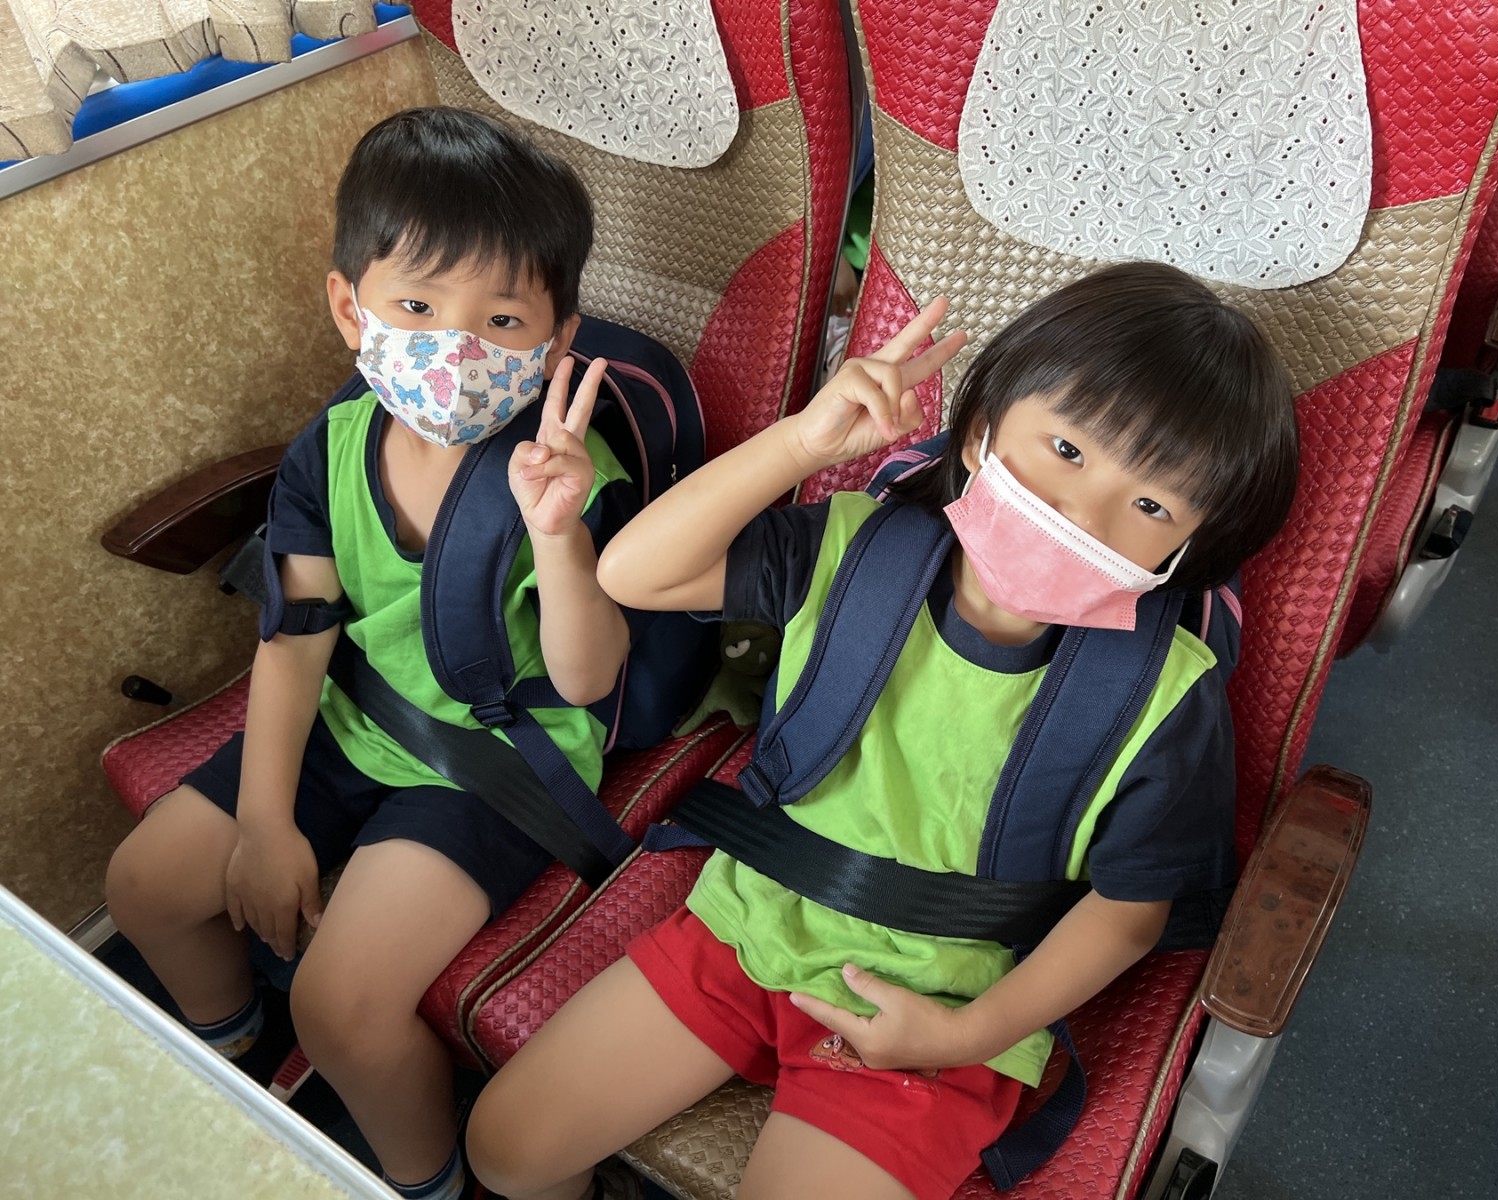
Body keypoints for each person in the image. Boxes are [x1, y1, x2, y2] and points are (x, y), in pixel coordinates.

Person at [466, 261, 1301, 1200]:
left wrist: (969, 1034)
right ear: (982, 433)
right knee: (507, 1148)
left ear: (1188, 550)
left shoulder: (1163, 696)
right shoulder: (856, 547)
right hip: (751, 924)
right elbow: (634, 574)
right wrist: (801, 442)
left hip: (943, 1000)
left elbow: (1129, 910)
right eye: (1067, 449)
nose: (1084, 513)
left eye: (1150, 506)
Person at [104, 107, 633, 1200]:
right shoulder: (332, 448)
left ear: (554, 342)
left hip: (496, 762)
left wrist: (558, 534)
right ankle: (233, 1051)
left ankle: (421, 1175)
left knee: (340, 1006)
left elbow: (589, 678)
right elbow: (298, 639)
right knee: (143, 884)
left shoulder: (567, 477)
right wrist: (263, 823)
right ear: (353, 308)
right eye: (419, 308)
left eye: (501, 320)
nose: (457, 350)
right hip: (357, 714)